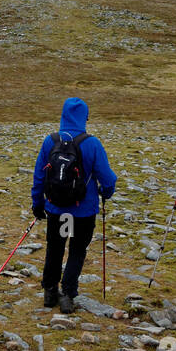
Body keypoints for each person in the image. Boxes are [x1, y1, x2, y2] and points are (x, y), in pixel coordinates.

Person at [30, 97, 117, 313]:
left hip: (57, 209)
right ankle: (68, 293)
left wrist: (37, 202)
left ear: (63, 115)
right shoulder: (92, 143)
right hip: (83, 211)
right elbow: (108, 178)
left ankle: (50, 291)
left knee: (56, 247)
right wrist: (106, 192)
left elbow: (39, 176)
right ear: (84, 117)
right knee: (77, 250)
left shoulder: (50, 141)